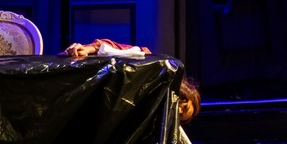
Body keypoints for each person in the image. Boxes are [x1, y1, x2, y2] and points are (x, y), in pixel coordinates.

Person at [61, 38, 200, 124]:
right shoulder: (153, 66)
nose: (178, 109)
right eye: (184, 106)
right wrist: (88, 49)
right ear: (183, 92)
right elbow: (112, 47)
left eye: (179, 115)